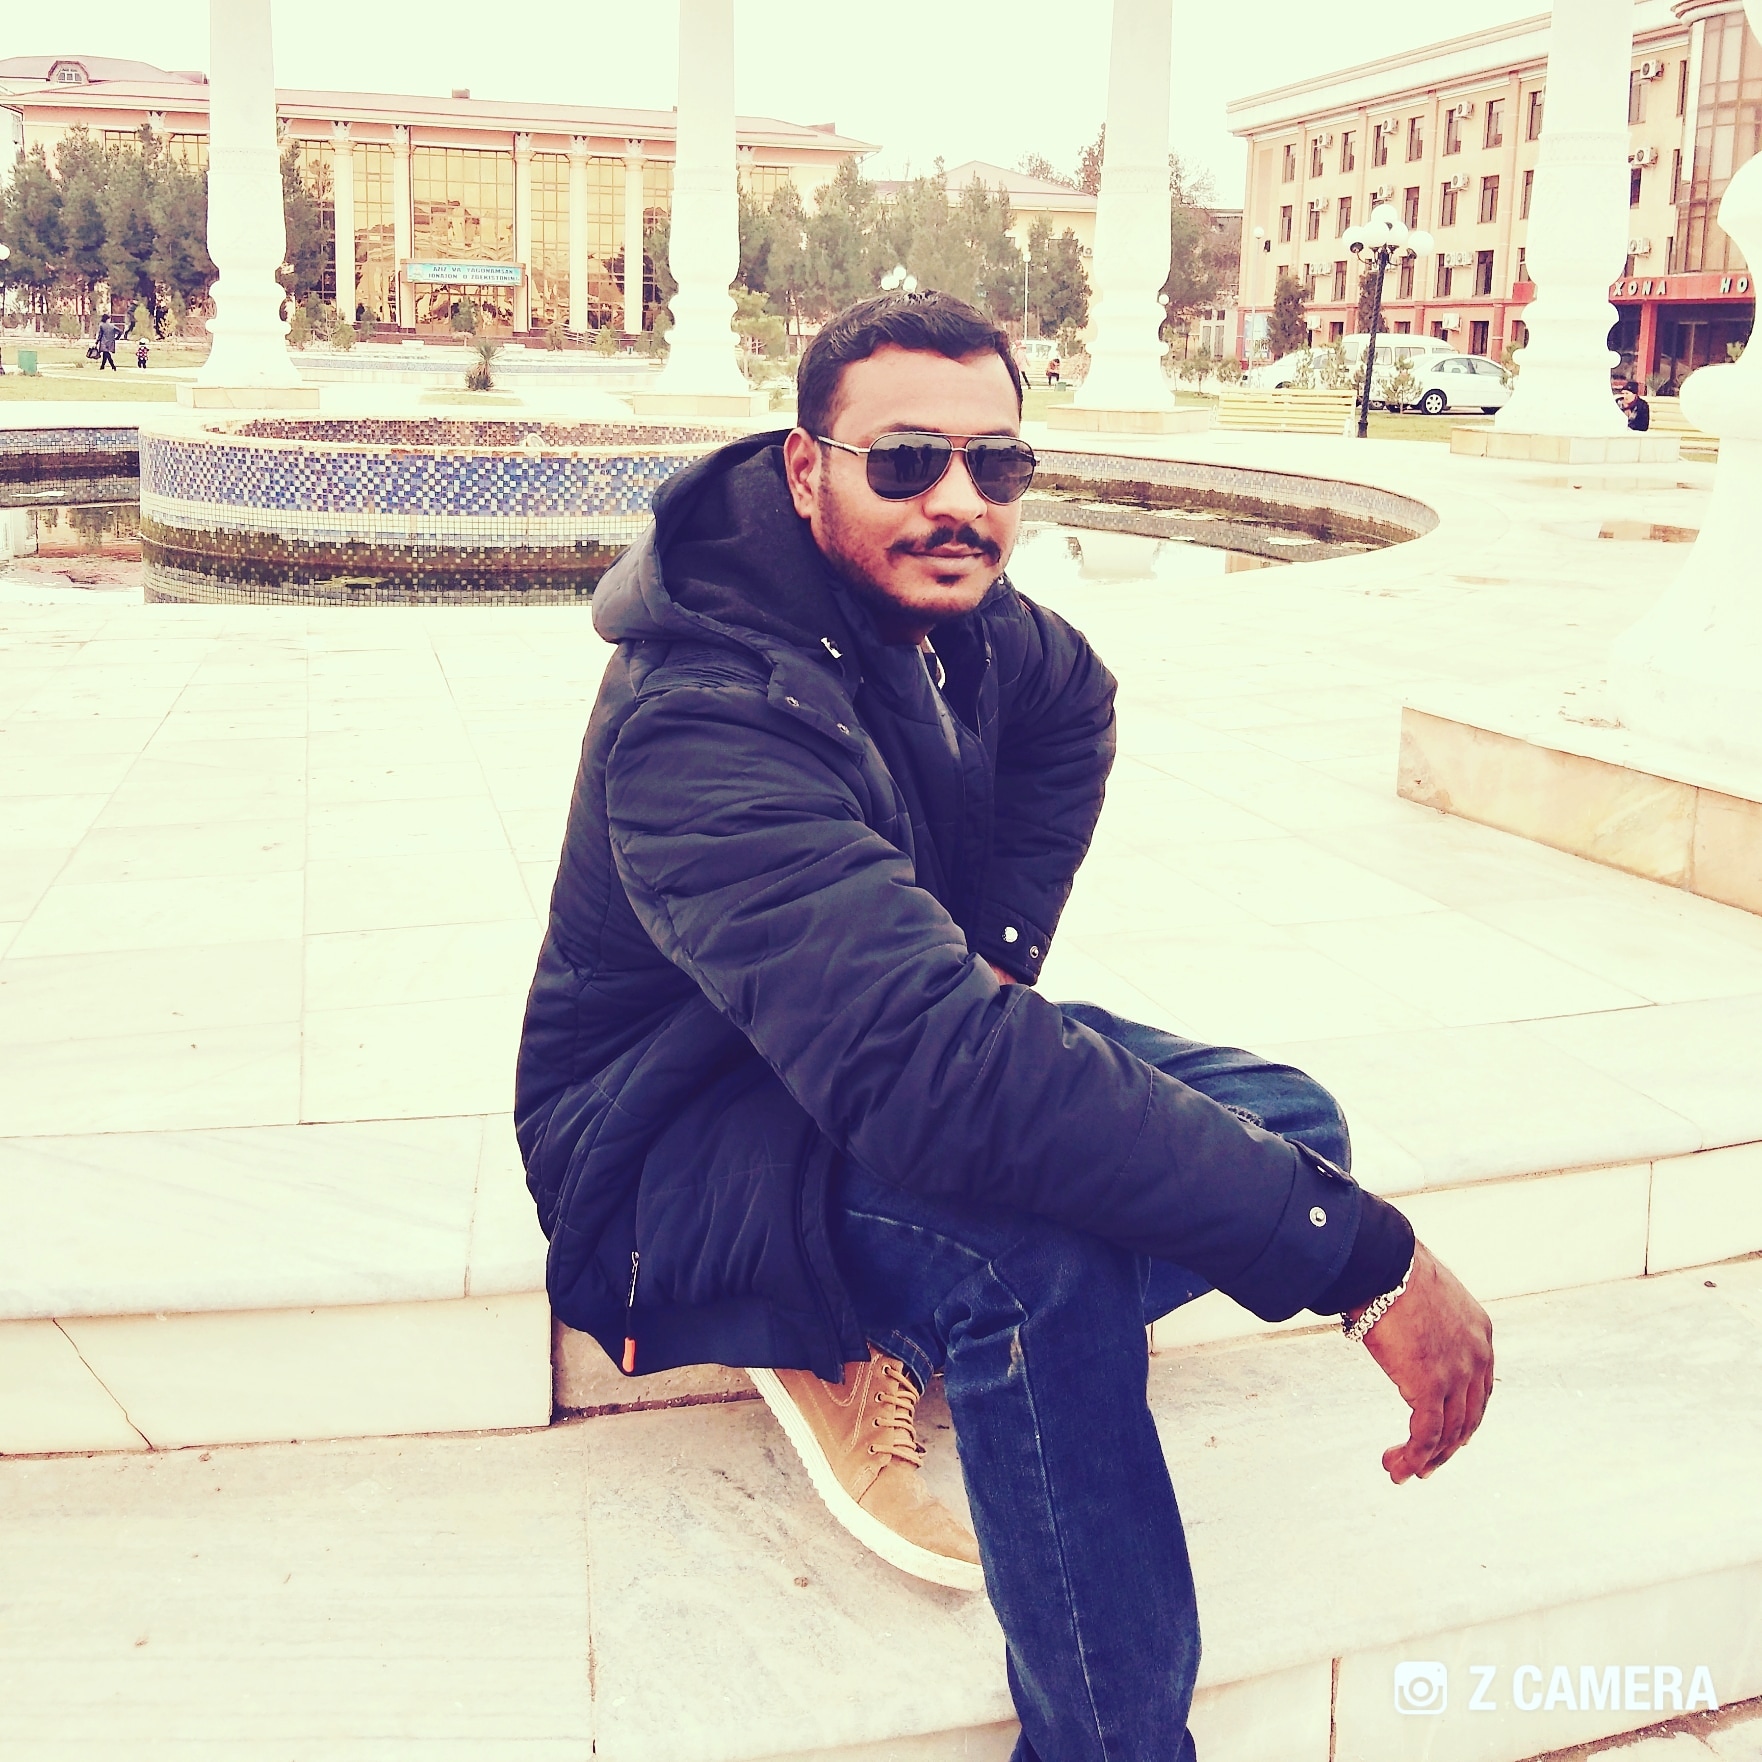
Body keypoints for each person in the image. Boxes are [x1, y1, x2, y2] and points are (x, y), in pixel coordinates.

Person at [516, 290, 1494, 1762]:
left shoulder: (951, 623)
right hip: (673, 1147)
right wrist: (1364, 1263)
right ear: (807, 469)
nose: (958, 501)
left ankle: (884, 1320)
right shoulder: (703, 711)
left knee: (1290, 1125)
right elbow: (933, 1078)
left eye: (998, 464)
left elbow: (1069, 702)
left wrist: (990, 963)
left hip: (861, 1058)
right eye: (907, 461)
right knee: (1037, 1268)